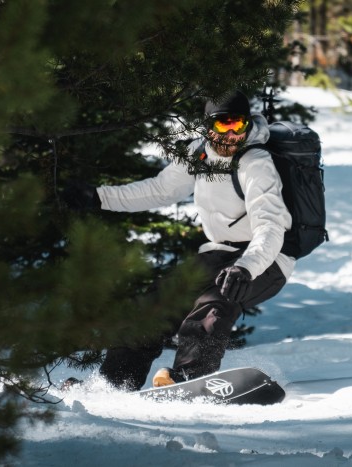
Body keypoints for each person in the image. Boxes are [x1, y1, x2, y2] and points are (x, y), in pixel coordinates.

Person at [64, 91, 294, 391]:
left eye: (239, 125)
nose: (232, 134)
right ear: (208, 127)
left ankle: (188, 382)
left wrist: (246, 268)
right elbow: (159, 190)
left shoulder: (255, 162)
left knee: (212, 309)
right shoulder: (198, 153)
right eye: (223, 126)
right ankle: (113, 385)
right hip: (219, 253)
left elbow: (271, 225)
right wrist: (98, 196)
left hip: (266, 258)